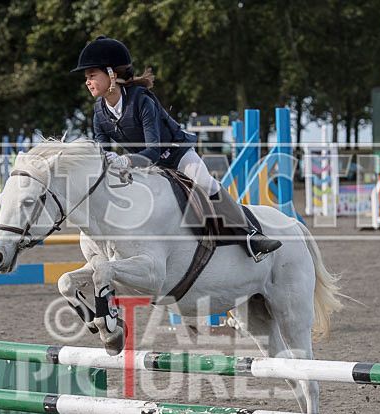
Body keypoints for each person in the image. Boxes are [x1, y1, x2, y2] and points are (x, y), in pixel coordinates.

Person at [73, 36, 281, 259]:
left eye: (92, 75)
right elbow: (102, 148)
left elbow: (153, 151)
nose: (87, 81)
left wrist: (125, 160)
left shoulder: (142, 100)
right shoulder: (99, 110)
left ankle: (250, 234)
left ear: (112, 73)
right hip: (144, 164)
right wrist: (107, 158)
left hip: (175, 154)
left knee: (205, 183)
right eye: (86, 77)